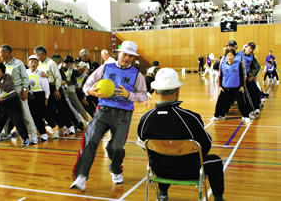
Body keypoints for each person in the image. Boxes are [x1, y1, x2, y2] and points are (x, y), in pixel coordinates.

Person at [137, 68, 225, 201]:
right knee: (216, 161)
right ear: (177, 91)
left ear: (155, 91)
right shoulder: (190, 118)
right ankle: (219, 199)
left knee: (159, 155)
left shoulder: (145, 119)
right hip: (190, 171)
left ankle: (162, 194)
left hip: (160, 171)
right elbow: (205, 147)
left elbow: (145, 146)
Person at [70, 41, 147, 190]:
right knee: (91, 139)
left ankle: (116, 169)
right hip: (103, 110)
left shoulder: (137, 75)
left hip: (123, 114)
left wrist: (129, 95)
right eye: (125, 54)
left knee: (116, 148)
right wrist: (89, 91)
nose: (127, 58)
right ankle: (81, 176)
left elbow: (143, 96)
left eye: (131, 56)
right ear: (119, 53)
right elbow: (88, 84)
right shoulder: (106, 67)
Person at [0, 44, 38, 144]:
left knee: (25, 114)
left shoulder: (18, 63)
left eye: (0, 52)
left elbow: (25, 78)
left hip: (19, 90)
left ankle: (33, 136)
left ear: (6, 53)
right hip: (8, 92)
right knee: (6, 113)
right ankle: (5, 133)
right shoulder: (3, 65)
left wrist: (24, 90)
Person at [0, 63, 29, 146]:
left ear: (3, 71)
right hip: (1, 103)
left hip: (12, 102)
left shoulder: (7, 77)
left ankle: (25, 138)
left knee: (17, 121)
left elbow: (7, 88)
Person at [34, 46, 72, 137]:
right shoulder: (38, 63)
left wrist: (57, 89)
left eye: (37, 55)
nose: (36, 57)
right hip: (44, 89)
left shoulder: (51, 63)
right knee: (49, 110)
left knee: (60, 109)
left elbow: (58, 77)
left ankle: (69, 126)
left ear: (44, 54)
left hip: (53, 88)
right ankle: (61, 126)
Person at [211, 49, 251, 122]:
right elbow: (220, 76)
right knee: (220, 102)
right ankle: (217, 115)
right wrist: (220, 86)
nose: (229, 57)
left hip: (237, 88)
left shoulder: (238, 64)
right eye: (228, 55)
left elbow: (241, 75)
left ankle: (246, 116)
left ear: (234, 56)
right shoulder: (222, 65)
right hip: (225, 88)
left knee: (241, 102)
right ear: (226, 56)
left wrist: (242, 85)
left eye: (231, 55)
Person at [26, 55, 50, 141]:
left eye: (35, 62)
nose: (33, 64)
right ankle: (31, 133)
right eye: (31, 62)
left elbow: (46, 86)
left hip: (39, 96)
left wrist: (46, 98)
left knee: (39, 116)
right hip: (28, 96)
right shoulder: (25, 72)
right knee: (29, 116)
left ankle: (43, 133)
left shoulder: (41, 73)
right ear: (28, 63)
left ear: (38, 64)